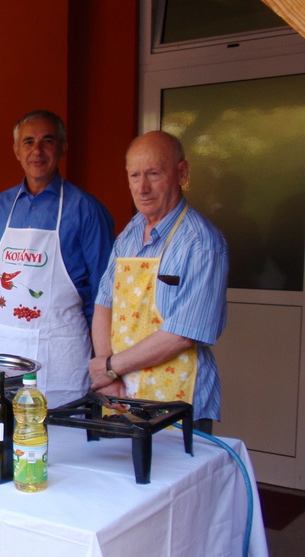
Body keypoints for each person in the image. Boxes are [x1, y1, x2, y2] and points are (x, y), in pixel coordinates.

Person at [89, 131, 228, 433]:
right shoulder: (129, 234)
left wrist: (111, 367)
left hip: (177, 399)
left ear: (182, 173)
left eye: (154, 173)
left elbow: (182, 334)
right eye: (135, 175)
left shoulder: (201, 242)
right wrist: (107, 374)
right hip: (122, 395)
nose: (143, 187)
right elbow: (103, 302)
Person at [0, 110, 114, 408]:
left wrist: (104, 362)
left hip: (61, 352)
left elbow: (105, 294)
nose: (37, 151)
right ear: (17, 151)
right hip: (4, 345)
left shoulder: (86, 209)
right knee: (0, 432)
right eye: (28, 142)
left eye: (47, 141)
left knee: (64, 442)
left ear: (63, 147)